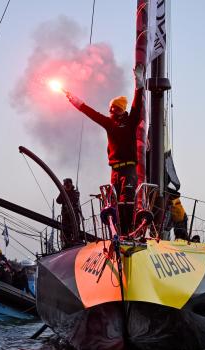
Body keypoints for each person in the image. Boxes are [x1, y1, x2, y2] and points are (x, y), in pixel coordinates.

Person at [66, 64, 145, 233]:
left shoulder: (131, 121)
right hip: (115, 171)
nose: (110, 110)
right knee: (115, 202)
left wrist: (139, 82)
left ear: (120, 109)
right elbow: (90, 113)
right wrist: (74, 100)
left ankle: (128, 232)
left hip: (129, 168)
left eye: (113, 108)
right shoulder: (109, 123)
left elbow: (137, 105)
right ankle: (118, 232)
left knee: (127, 201)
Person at [56, 178, 83, 247]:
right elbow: (58, 201)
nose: (67, 186)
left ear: (71, 184)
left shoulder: (75, 192)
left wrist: (66, 191)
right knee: (65, 230)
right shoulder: (63, 193)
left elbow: (75, 199)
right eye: (65, 184)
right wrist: (62, 191)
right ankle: (67, 243)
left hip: (74, 215)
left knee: (76, 227)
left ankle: (77, 240)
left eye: (68, 184)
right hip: (65, 215)